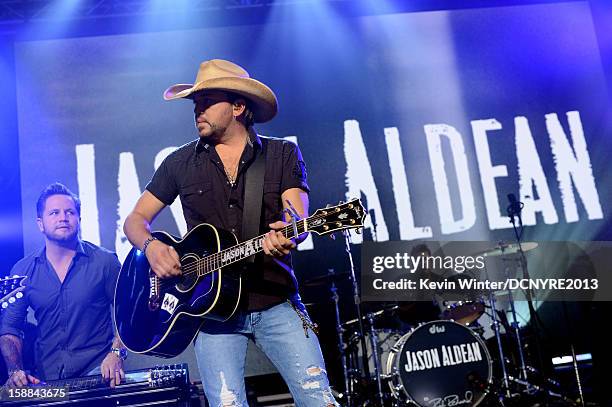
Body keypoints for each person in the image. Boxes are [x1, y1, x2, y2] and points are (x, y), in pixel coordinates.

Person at [123, 59, 338, 406]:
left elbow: (295, 212)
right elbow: (134, 219)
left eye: (207, 102)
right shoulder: (178, 163)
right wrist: (150, 247)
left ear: (238, 107)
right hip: (212, 313)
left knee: (317, 398)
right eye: (195, 105)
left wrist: (290, 231)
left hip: (275, 301)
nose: (198, 111)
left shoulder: (281, 153)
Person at [0, 183, 126, 387]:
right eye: (54, 213)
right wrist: (15, 371)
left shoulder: (105, 262)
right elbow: (10, 328)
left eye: (70, 212)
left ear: (79, 219)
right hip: (47, 378)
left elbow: (127, 314)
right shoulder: (23, 271)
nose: (63, 218)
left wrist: (116, 353)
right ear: (40, 224)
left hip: (98, 374)